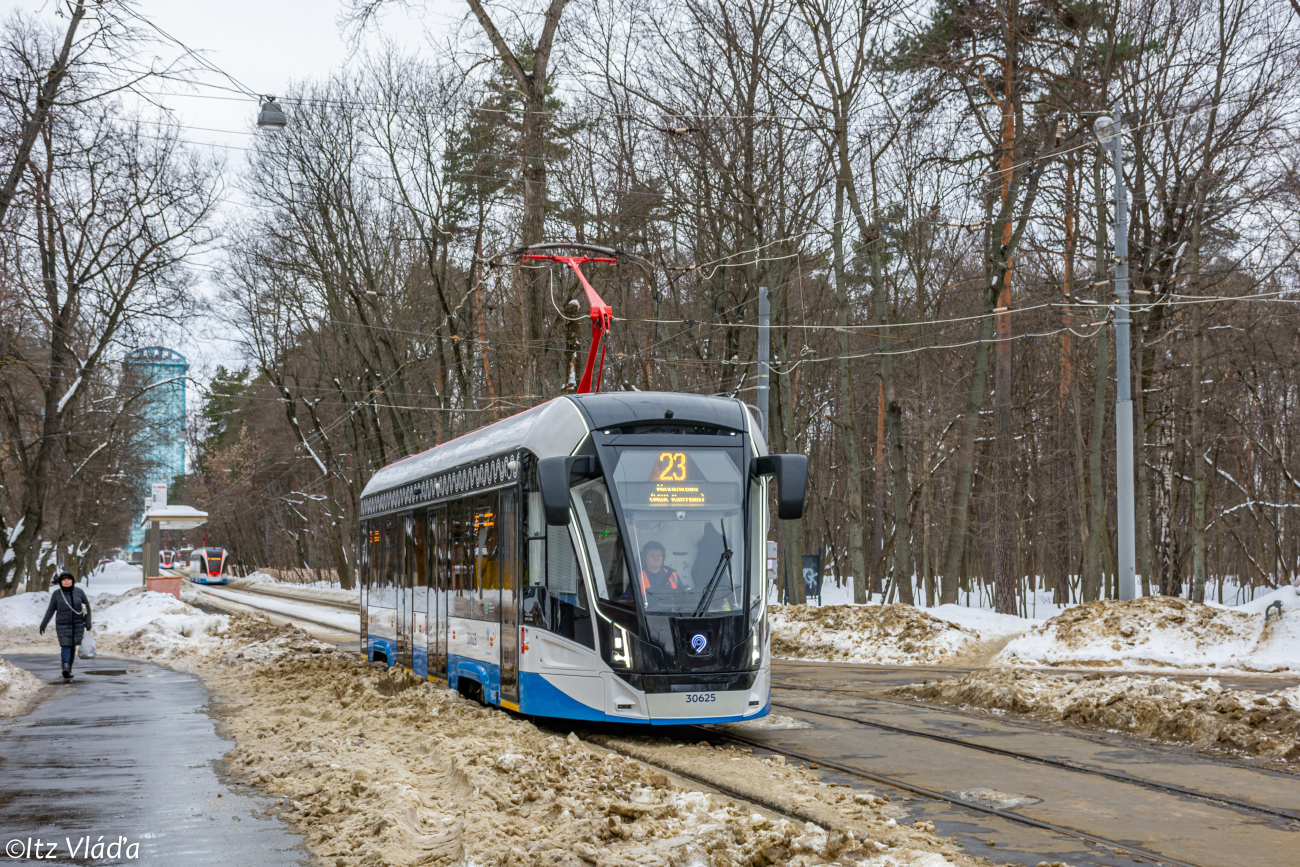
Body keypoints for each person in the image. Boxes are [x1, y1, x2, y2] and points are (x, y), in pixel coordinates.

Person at [39, 571, 92, 681]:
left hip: (77, 624)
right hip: (62, 624)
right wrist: (44, 624)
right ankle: (65, 667)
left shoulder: (79, 592)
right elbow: (51, 610)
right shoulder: (57, 594)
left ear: (72, 581)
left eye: (69, 579)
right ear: (60, 582)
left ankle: (69, 669)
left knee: (72, 647)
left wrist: (87, 622)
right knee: (66, 646)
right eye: (64, 580)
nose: (67, 581)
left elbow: (87, 608)